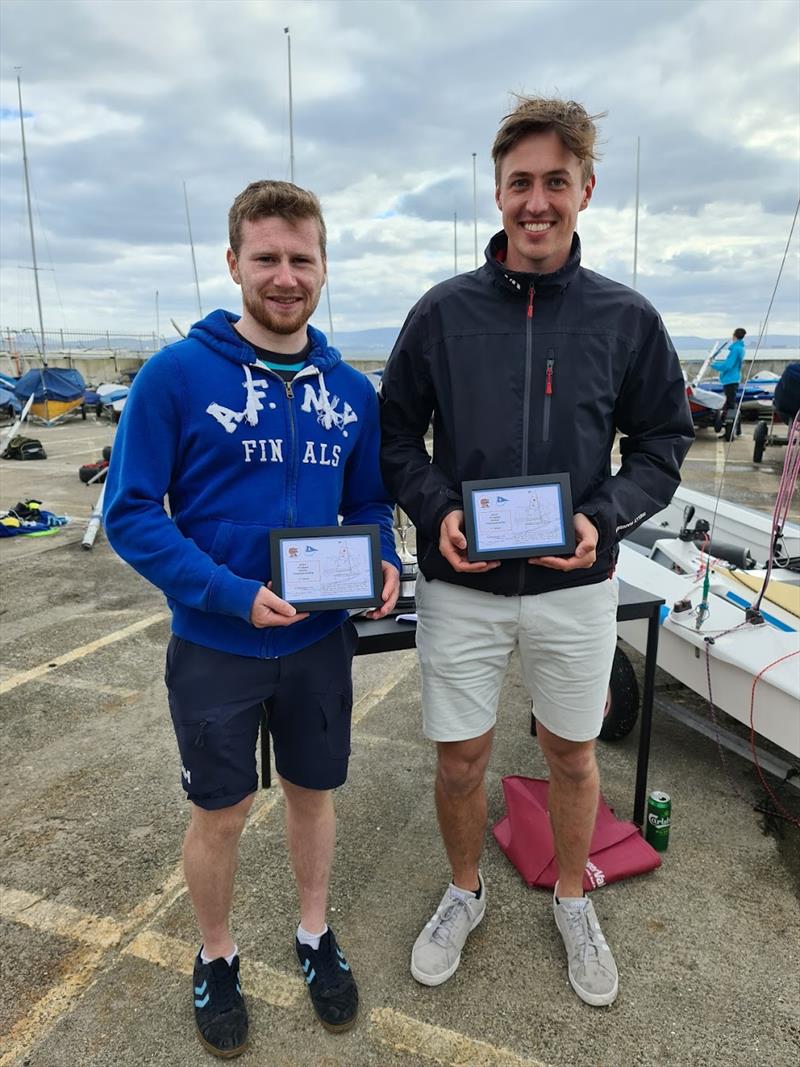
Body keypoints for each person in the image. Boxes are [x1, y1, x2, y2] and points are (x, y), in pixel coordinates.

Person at [379, 96, 693, 1007]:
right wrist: (436, 509)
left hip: (574, 583)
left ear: (586, 189)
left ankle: (569, 893)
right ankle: (464, 890)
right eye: (521, 183)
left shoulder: (627, 319)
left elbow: (664, 444)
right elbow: (397, 436)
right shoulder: (440, 314)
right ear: (498, 192)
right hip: (463, 587)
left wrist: (604, 515)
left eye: (557, 181)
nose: (538, 201)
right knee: (460, 761)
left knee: (572, 753)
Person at [104, 180, 400, 1057]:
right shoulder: (176, 375)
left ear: (323, 267)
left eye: (300, 258)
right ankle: (217, 952)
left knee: (314, 795)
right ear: (233, 262)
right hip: (217, 645)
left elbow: (371, 499)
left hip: (317, 643)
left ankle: (313, 934)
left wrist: (380, 555)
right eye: (265, 257)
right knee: (221, 814)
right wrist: (229, 592)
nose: (284, 275)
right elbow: (131, 512)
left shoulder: (351, 390)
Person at [711, 328, 747, 435]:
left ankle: (730, 432)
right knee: (732, 405)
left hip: (730, 380)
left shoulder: (735, 349)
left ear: (734, 336)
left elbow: (728, 365)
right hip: (733, 379)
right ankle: (737, 430)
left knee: (730, 406)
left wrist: (713, 364)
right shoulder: (740, 348)